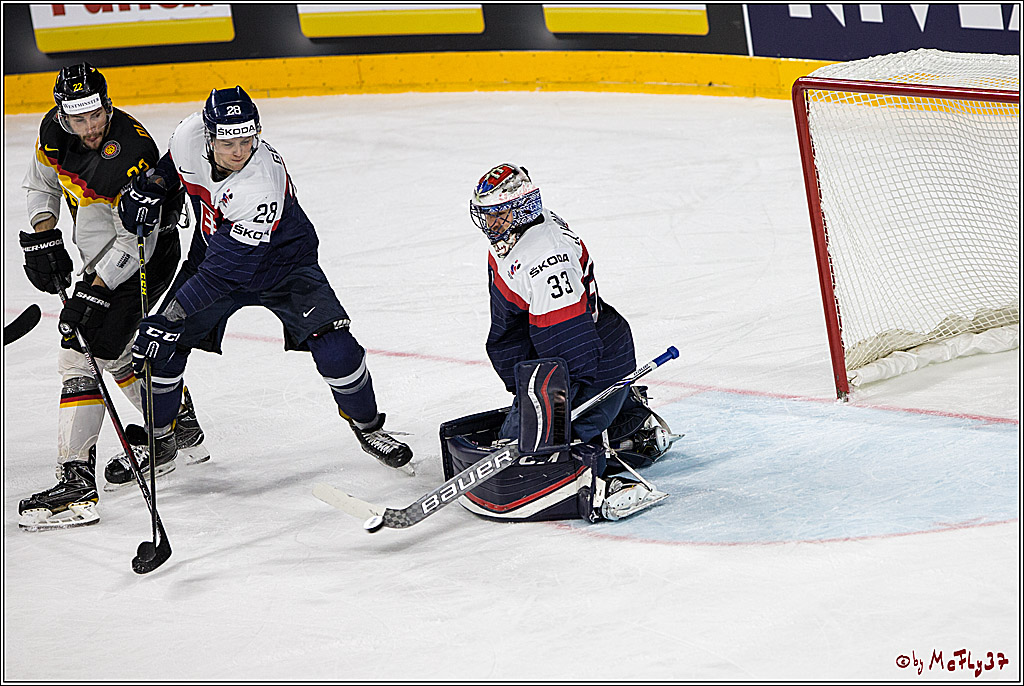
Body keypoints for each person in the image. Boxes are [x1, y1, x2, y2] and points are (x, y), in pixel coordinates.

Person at [119, 86, 413, 478]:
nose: (239, 150)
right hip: (213, 255)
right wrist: (154, 186)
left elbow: (223, 274)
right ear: (208, 135)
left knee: (337, 349)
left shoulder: (261, 186)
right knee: (162, 354)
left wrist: (169, 318)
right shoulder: (189, 134)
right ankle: (160, 442)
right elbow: (174, 166)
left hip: (283, 266)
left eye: (247, 138)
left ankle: (369, 428)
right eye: (228, 141)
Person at [17, 63, 208, 531]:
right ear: (63, 114)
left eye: (96, 115)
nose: (89, 127)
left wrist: (95, 292)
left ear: (108, 104)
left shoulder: (132, 153)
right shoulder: (52, 131)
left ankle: (76, 482)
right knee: (117, 351)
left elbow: (132, 242)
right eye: (77, 118)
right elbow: (42, 185)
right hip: (98, 252)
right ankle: (176, 425)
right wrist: (45, 235)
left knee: (80, 354)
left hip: (144, 256)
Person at [440, 163, 678, 522]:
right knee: (527, 429)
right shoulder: (520, 236)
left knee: (538, 443)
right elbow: (515, 327)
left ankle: (609, 458)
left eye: (498, 216)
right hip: (591, 346)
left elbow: (572, 347)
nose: (491, 226)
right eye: (486, 217)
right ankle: (628, 417)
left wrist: (551, 416)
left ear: (521, 211)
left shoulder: (546, 261)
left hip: (593, 364)